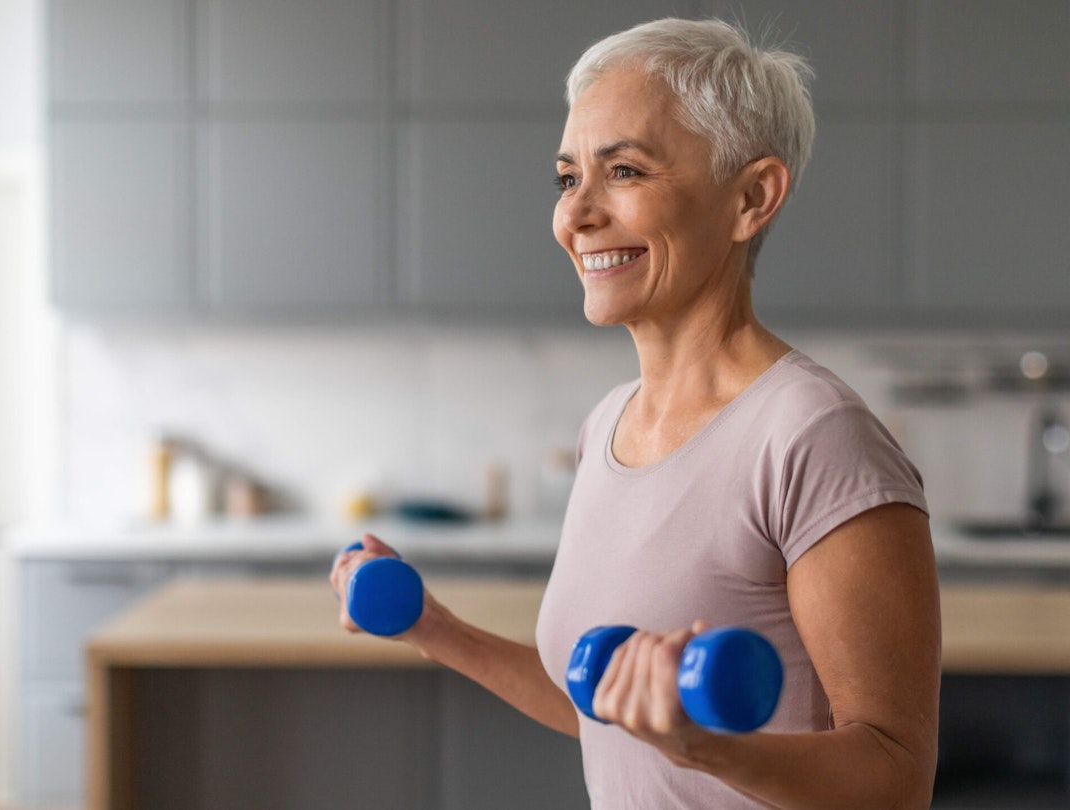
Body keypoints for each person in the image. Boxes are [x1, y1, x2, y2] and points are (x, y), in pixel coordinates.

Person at [331, 17, 940, 809]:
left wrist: (709, 749)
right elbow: (603, 713)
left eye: (623, 170)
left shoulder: (813, 438)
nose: (576, 214)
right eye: (566, 177)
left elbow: (894, 781)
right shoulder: (611, 422)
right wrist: (435, 629)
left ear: (752, 198)